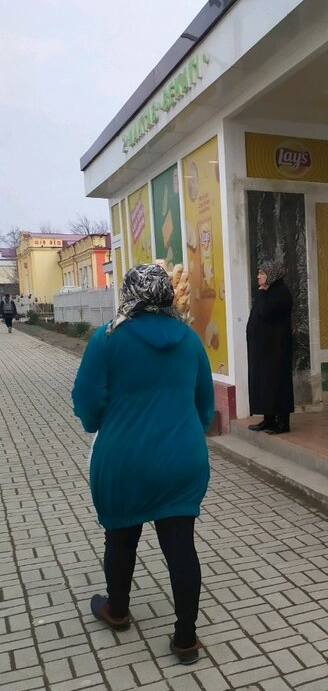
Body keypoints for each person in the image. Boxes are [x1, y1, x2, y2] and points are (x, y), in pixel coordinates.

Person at [72, 264, 214, 664]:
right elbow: (205, 404)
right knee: (181, 546)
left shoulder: (108, 339)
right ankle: (185, 638)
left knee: (120, 536)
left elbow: (86, 399)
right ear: (167, 295)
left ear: (129, 294)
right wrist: (186, 432)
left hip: (124, 460)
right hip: (182, 461)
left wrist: (99, 424)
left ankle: (117, 610)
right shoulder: (189, 340)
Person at [246, 259, 294, 434]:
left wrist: (262, 294)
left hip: (277, 349)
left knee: (277, 383)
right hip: (264, 350)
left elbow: (265, 312)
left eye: (262, 273)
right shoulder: (267, 291)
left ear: (271, 275)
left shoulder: (280, 293)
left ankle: (282, 423)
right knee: (265, 383)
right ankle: (268, 419)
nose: (258, 276)